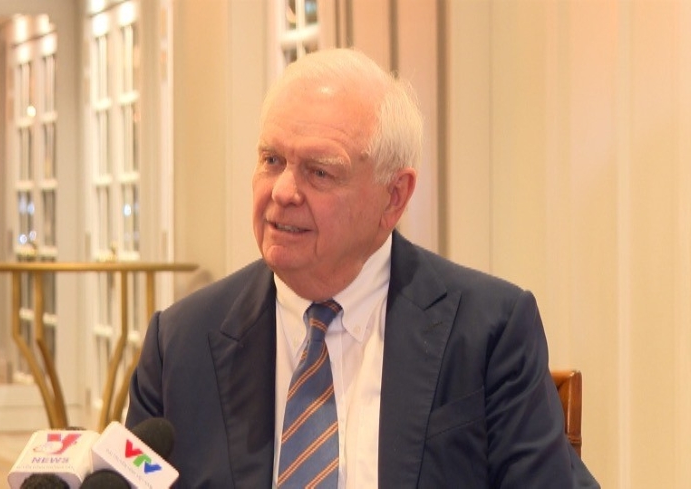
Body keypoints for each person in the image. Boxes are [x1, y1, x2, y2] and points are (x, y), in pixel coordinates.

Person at [125, 48, 599, 488]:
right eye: (272, 160)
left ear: (394, 196)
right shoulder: (180, 345)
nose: (283, 191)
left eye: (319, 171)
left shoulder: (487, 333)